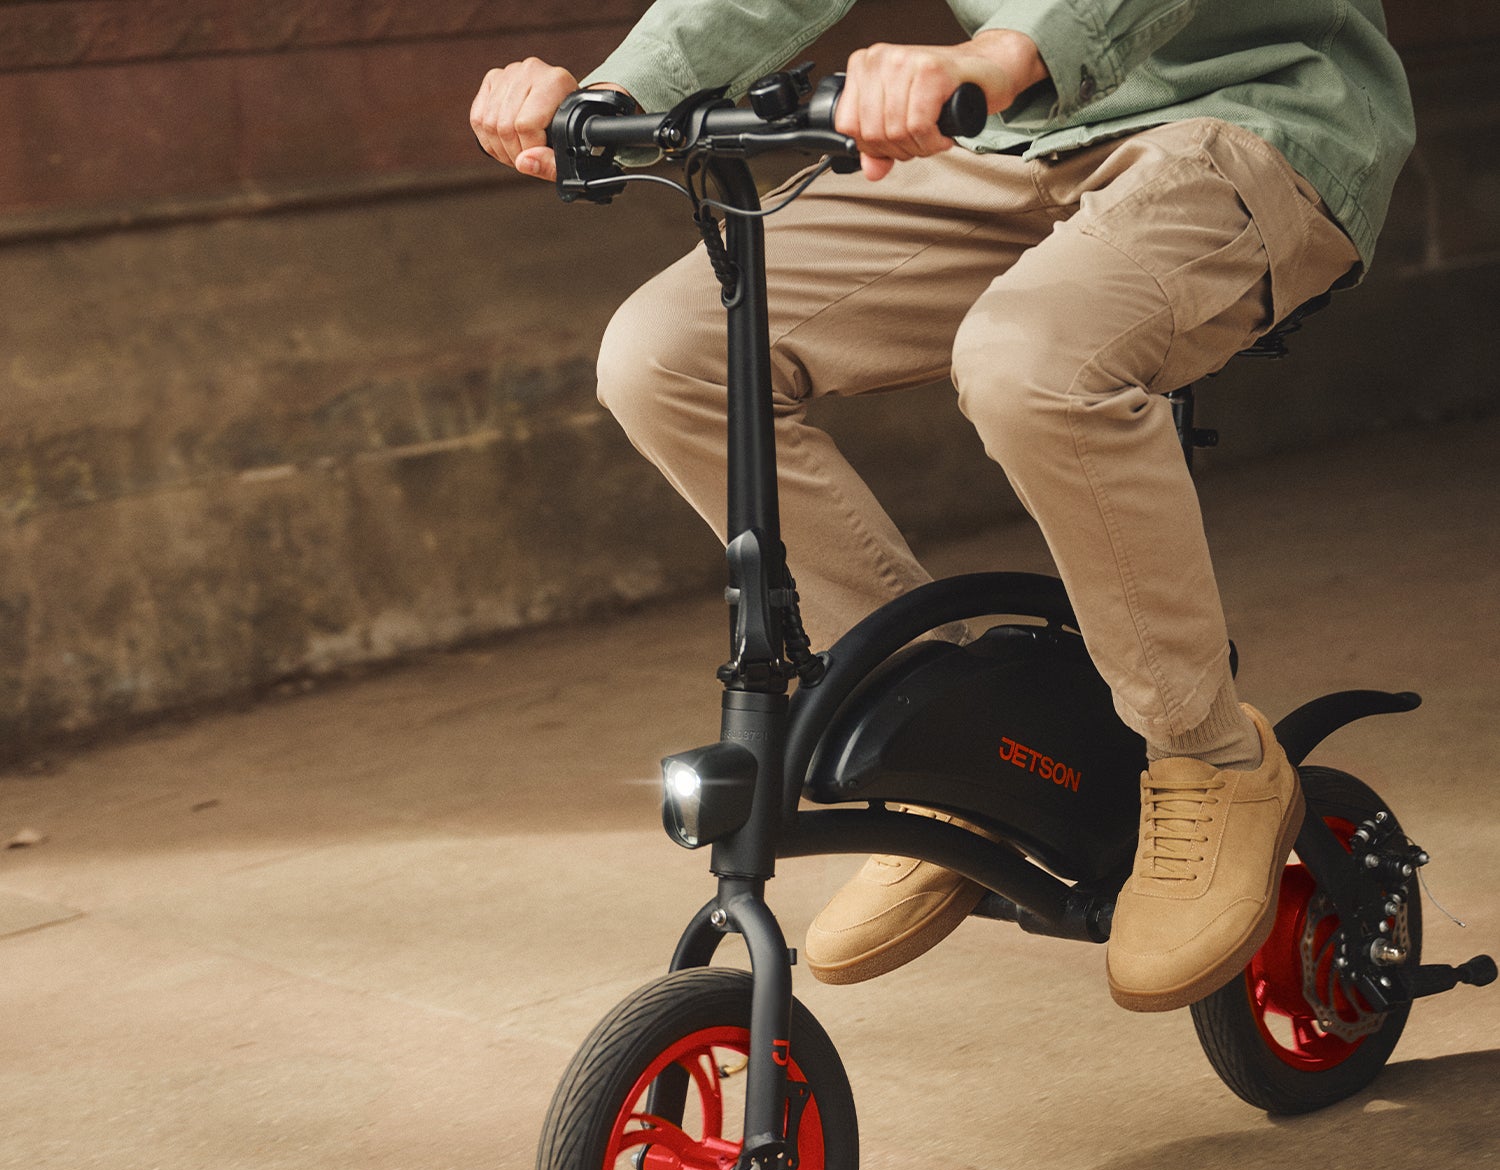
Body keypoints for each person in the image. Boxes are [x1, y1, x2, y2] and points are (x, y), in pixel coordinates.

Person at [471, 2, 1414, 1012]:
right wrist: (619, 92)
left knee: (1032, 361)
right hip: (1016, 135)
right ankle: (959, 743)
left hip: (1252, 115)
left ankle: (1209, 754)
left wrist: (1004, 55)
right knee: (666, 356)